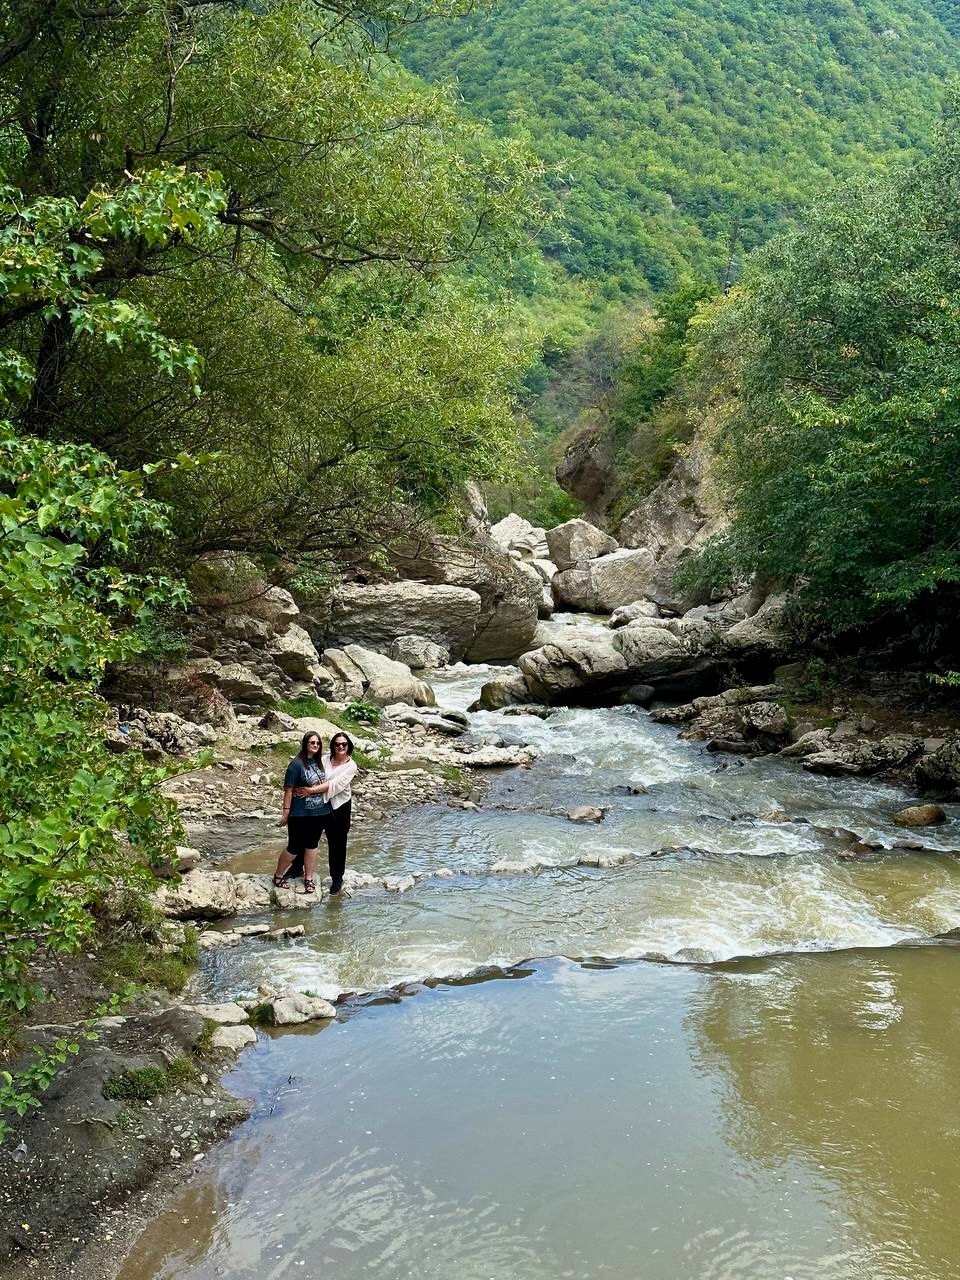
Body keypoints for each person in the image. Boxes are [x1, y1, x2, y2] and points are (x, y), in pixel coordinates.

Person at [295, 732, 357, 895]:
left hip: (340, 806)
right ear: (333, 746)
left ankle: (337, 878)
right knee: (308, 837)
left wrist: (311, 790)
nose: (341, 747)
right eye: (337, 744)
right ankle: (296, 868)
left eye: (344, 744)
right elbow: (310, 770)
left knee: (337, 843)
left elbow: (335, 785)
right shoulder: (324, 759)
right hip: (318, 804)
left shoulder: (351, 766)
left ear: (348, 746)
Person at [274, 732, 326, 895]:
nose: (315, 745)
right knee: (294, 846)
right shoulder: (295, 765)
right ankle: (278, 875)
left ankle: (308, 878)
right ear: (305, 744)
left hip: (318, 812)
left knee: (312, 844)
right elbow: (288, 791)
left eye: (317, 743)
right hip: (299, 812)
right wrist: (285, 813)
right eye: (312, 742)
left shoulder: (319, 763)